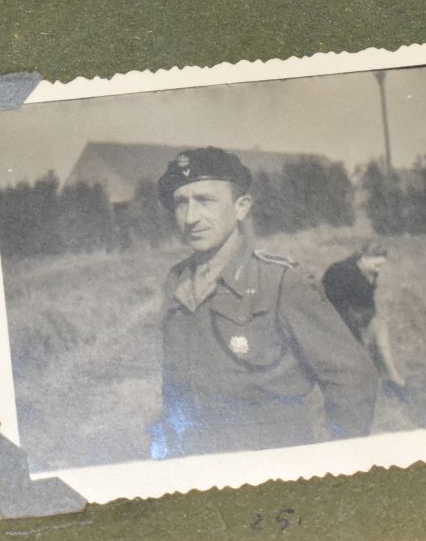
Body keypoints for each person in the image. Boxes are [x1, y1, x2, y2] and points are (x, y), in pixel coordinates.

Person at [151, 148, 378, 458]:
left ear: (241, 207)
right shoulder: (176, 282)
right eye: (181, 203)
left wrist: (335, 464)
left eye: (205, 200)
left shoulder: (281, 281)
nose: (191, 217)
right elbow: (175, 388)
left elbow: (352, 376)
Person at [321, 241, 409, 398]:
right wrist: (361, 330)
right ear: (364, 257)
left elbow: (369, 305)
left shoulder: (368, 272)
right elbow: (335, 306)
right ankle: (390, 377)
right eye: (377, 265)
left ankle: (390, 375)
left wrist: (365, 320)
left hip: (355, 320)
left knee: (379, 326)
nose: (379, 269)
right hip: (333, 321)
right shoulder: (340, 272)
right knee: (374, 333)